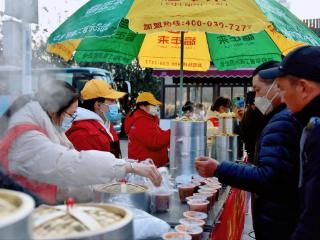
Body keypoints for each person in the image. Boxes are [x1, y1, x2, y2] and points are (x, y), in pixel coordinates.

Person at [0, 81, 161, 204]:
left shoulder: (50, 126)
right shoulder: (26, 136)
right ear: (53, 110)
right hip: (23, 214)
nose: (71, 119)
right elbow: (71, 165)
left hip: (41, 203)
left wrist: (112, 183)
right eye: (70, 114)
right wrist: (128, 168)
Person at [195, 61, 302, 240]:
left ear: (277, 86)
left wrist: (219, 168)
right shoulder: (279, 117)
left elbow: (267, 177)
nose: (255, 96)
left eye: (258, 90)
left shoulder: (282, 122)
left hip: (278, 220)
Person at [259, 46, 320, 240]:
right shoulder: (309, 123)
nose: (282, 98)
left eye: (283, 89)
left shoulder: (317, 132)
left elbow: (314, 217)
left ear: (303, 88)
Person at [66, 80, 125, 158]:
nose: (115, 104)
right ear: (98, 105)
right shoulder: (83, 133)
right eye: (112, 100)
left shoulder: (105, 122)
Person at [124, 92, 170, 168]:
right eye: (153, 105)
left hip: (150, 167)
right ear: (142, 106)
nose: (156, 107)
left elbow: (159, 134)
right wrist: (173, 132)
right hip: (144, 169)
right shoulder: (140, 121)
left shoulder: (149, 119)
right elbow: (155, 141)